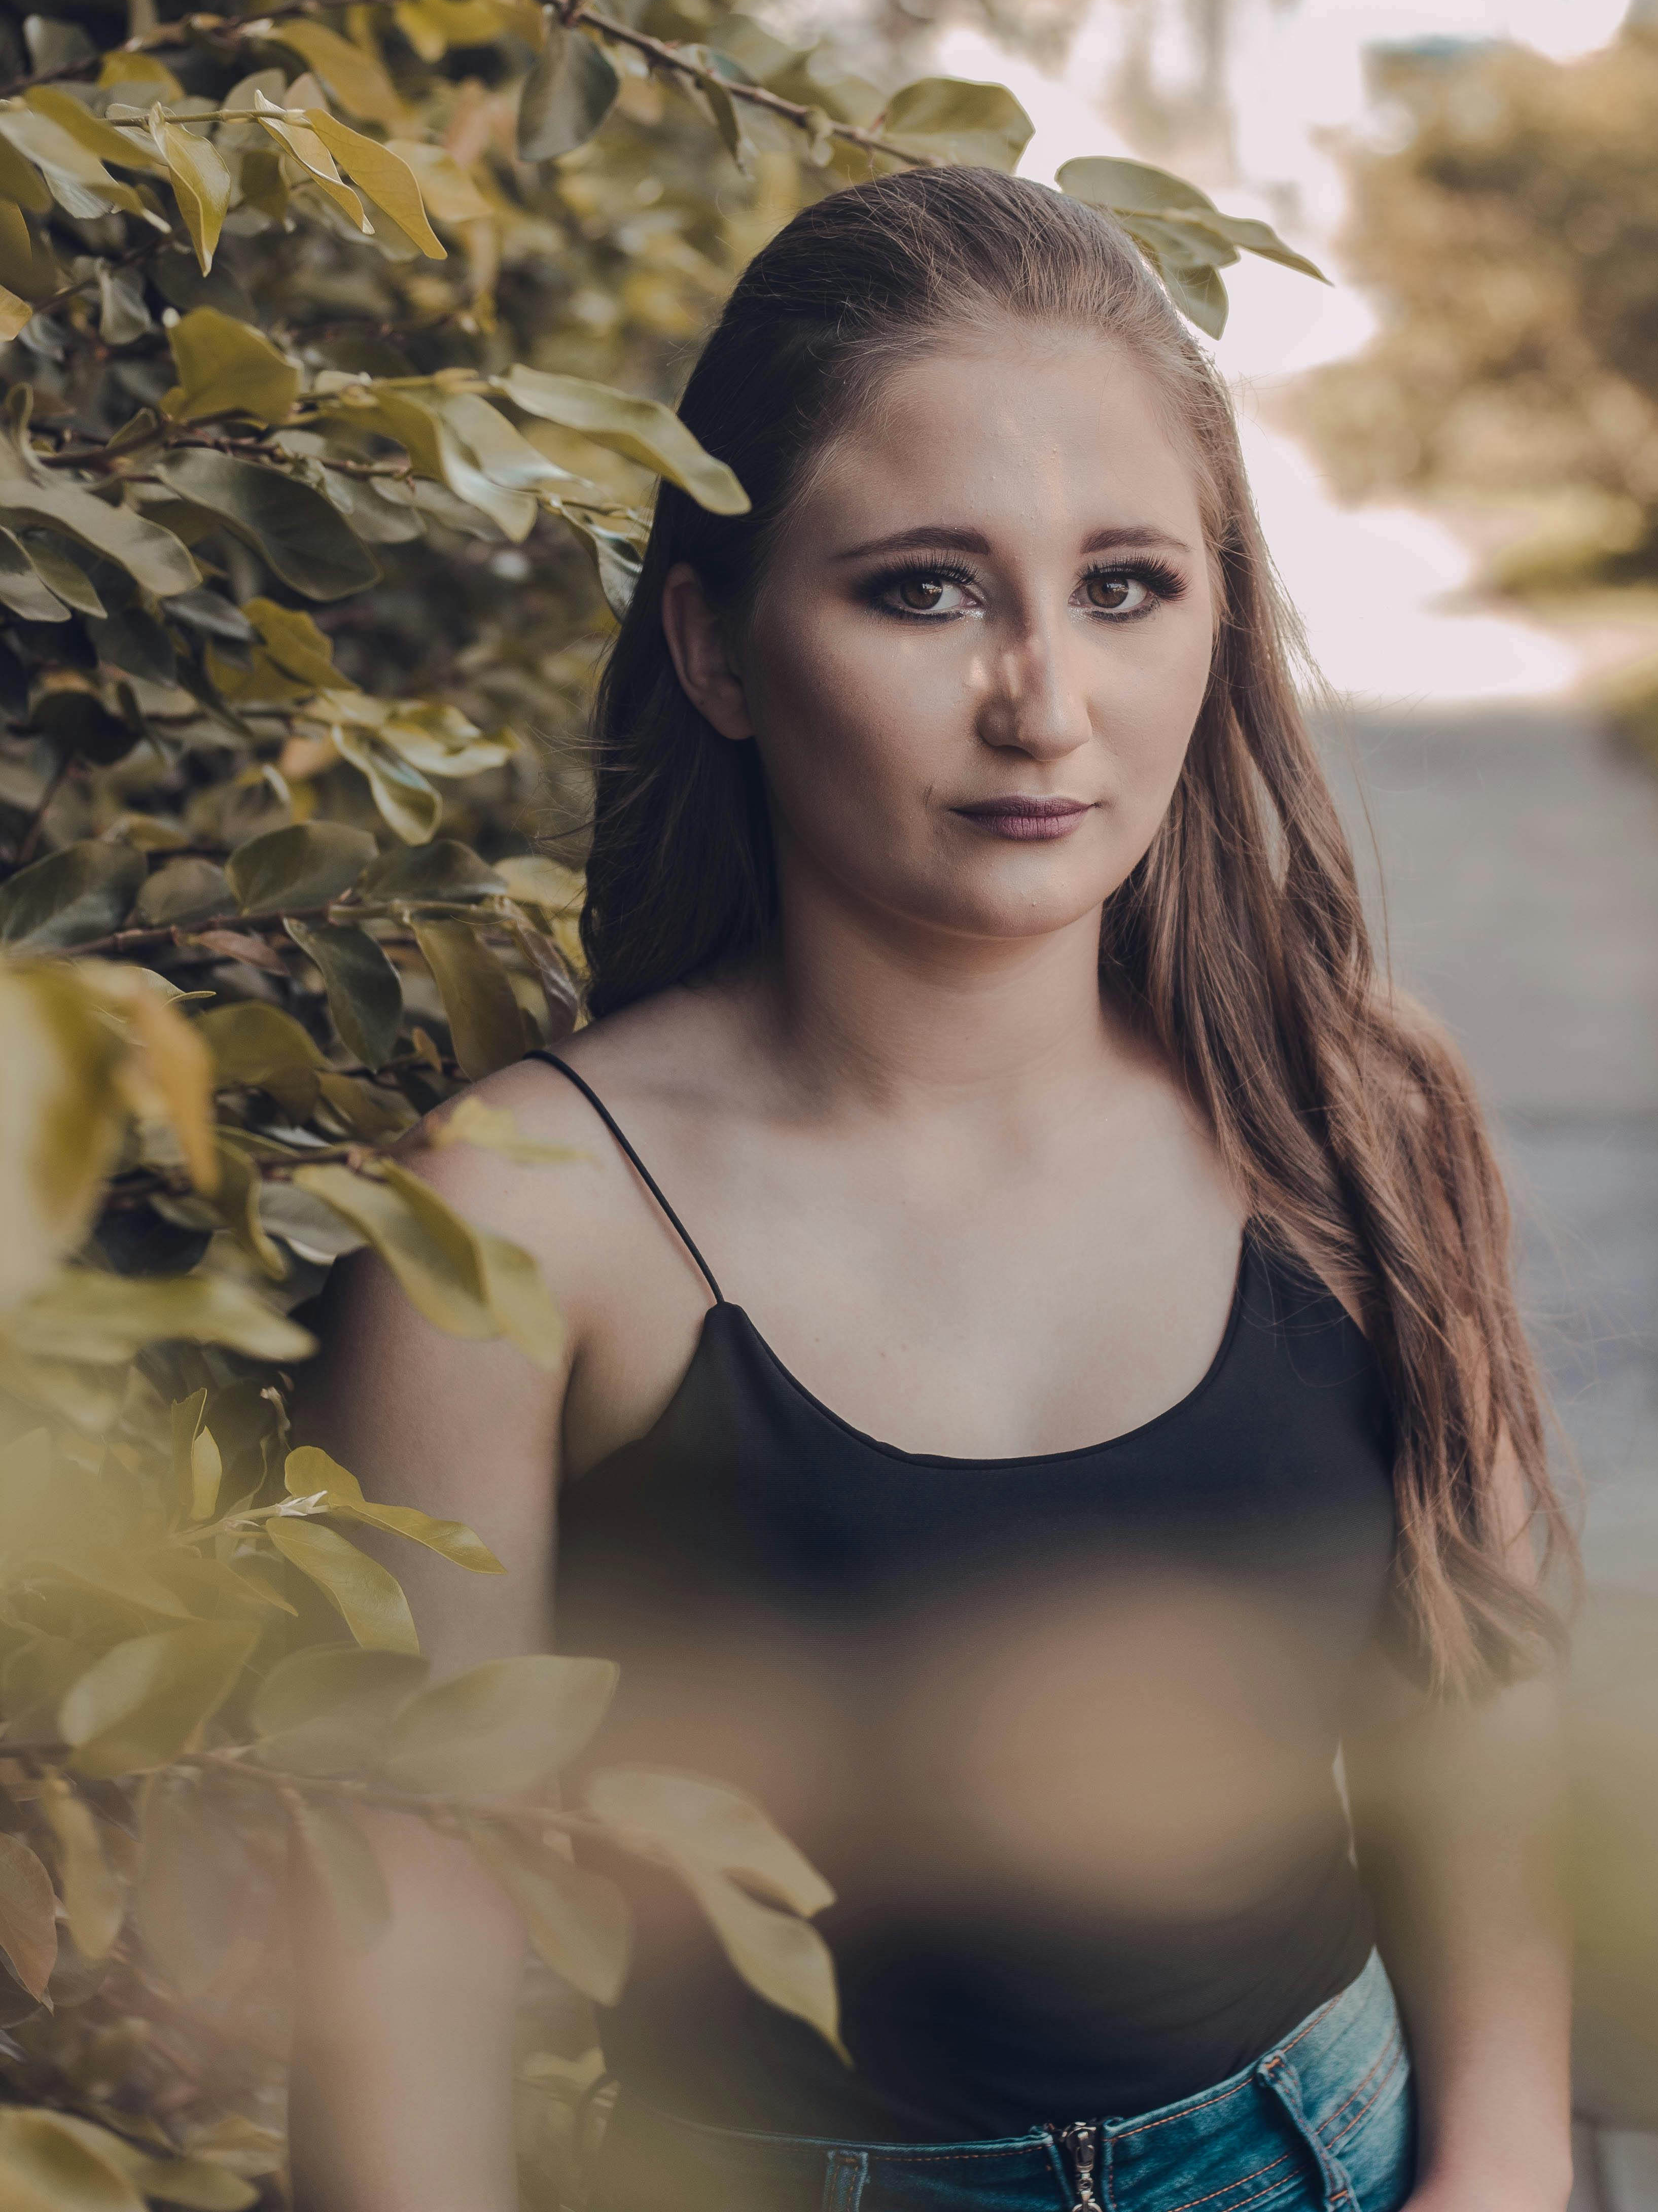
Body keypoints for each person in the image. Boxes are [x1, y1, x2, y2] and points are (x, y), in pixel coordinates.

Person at [290, 166, 1575, 2212]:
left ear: (1217, 613)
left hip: (1329, 2160)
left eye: (1127, 585)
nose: (1046, 705)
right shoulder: (526, 1230)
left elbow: (1478, 1706)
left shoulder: (1353, 1114)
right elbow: (405, 1942)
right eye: (925, 589)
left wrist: (1496, 2175)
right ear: (715, 645)